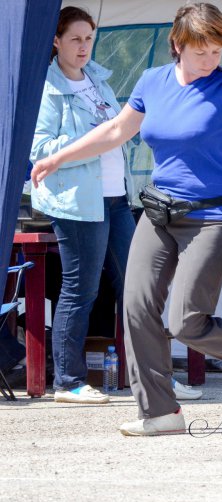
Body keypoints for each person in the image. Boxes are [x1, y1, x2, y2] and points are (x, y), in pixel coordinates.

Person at [30, 3, 222, 435]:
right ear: (177, 45)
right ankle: (160, 413)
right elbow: (117, 130)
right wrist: (59, 157)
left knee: (186, 321)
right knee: (135, 306)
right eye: (201, 52)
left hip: (214, 217)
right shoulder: (152, 82)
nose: (211, 61)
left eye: (216, 52)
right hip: (159, 214)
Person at [29, 6, 136, 405]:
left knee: (138, 285)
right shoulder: (47, 86)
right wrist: (91, 140)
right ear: (55, 41)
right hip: (77, 203)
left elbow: (120, 131)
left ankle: (151, 377)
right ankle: (69, 382)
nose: (83, 46)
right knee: (81, 290)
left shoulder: (98, 80)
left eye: (89, 38)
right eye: (75, 38)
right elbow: (39, 148)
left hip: (117, 198)